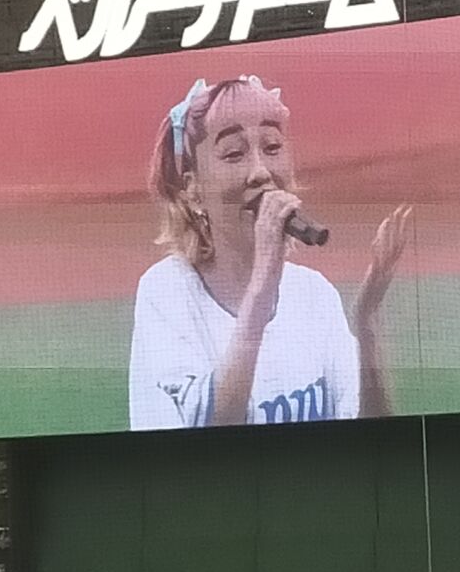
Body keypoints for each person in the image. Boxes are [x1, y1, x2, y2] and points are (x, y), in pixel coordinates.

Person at [129, 76, 410, 429]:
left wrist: (366, 323)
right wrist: (263, 280)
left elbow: (372, 443)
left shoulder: (314, 293)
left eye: (272, 147)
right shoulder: (167, 290)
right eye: (234, 153)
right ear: (192, 190)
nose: (260, 172)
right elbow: (210, 429)